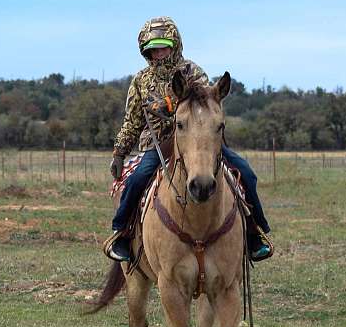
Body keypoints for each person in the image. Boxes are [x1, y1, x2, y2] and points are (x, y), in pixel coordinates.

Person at [107, 16, 271, 262]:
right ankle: (122, 234)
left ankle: (253, 233)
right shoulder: (141, 81)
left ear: (174, 45)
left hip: (199, 142)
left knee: (246, 172)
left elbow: (206, 100)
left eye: (163, 46)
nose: (158, 53)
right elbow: (132, 121)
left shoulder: (192, 71)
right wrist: (119, 153)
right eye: (152, 49)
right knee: (137, 179)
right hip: (158, 146)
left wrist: (169, 104)